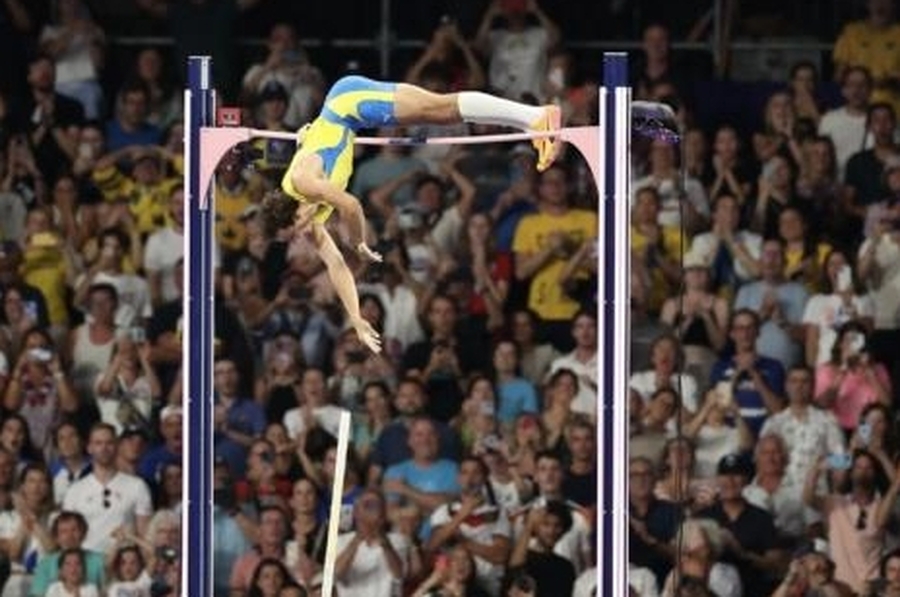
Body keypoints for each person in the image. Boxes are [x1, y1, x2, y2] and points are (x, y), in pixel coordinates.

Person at [260, 75, 563, 353]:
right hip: (347, 119)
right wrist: (356, 319)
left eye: (294, 228)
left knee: (441, 109)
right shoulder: (308, 215)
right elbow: (337, 267)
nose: (301, 234)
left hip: (348, 104)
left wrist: (359, 243)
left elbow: (352, 205)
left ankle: (536, 116)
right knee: (440, 110)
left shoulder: (304, 183)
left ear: (293, 210)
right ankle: (530, 123)